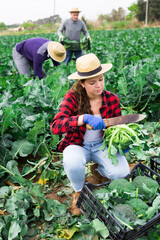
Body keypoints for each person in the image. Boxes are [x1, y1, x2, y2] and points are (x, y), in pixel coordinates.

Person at [50, 53, 130, 215]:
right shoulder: (72, 98)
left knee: (122, 173)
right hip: (78, 145)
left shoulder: (112, 99)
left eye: (101, 79)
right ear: (82, 83)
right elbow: (55, 126)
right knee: (72, 161)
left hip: (102, 145)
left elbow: (119, 125)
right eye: (92, 82)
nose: (99, 85)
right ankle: (79, 190)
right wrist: (82, 118)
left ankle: (98, 171)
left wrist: (123, 142)